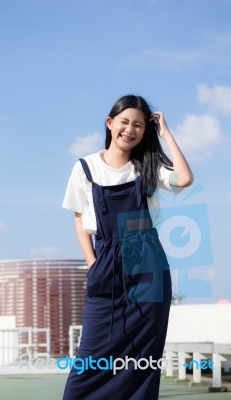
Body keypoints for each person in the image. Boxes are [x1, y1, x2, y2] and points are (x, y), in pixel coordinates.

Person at [62, 94, 193, 399]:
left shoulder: (147, 166)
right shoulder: (85, 168)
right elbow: (80, 220)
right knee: (91, 358)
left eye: (138, 125)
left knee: (143, 359)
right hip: (105, 260)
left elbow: (185, 178)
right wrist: (92, 263)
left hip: (147, 264)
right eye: (124, 122)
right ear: (110, 123)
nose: (130, 129)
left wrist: (166, 134)